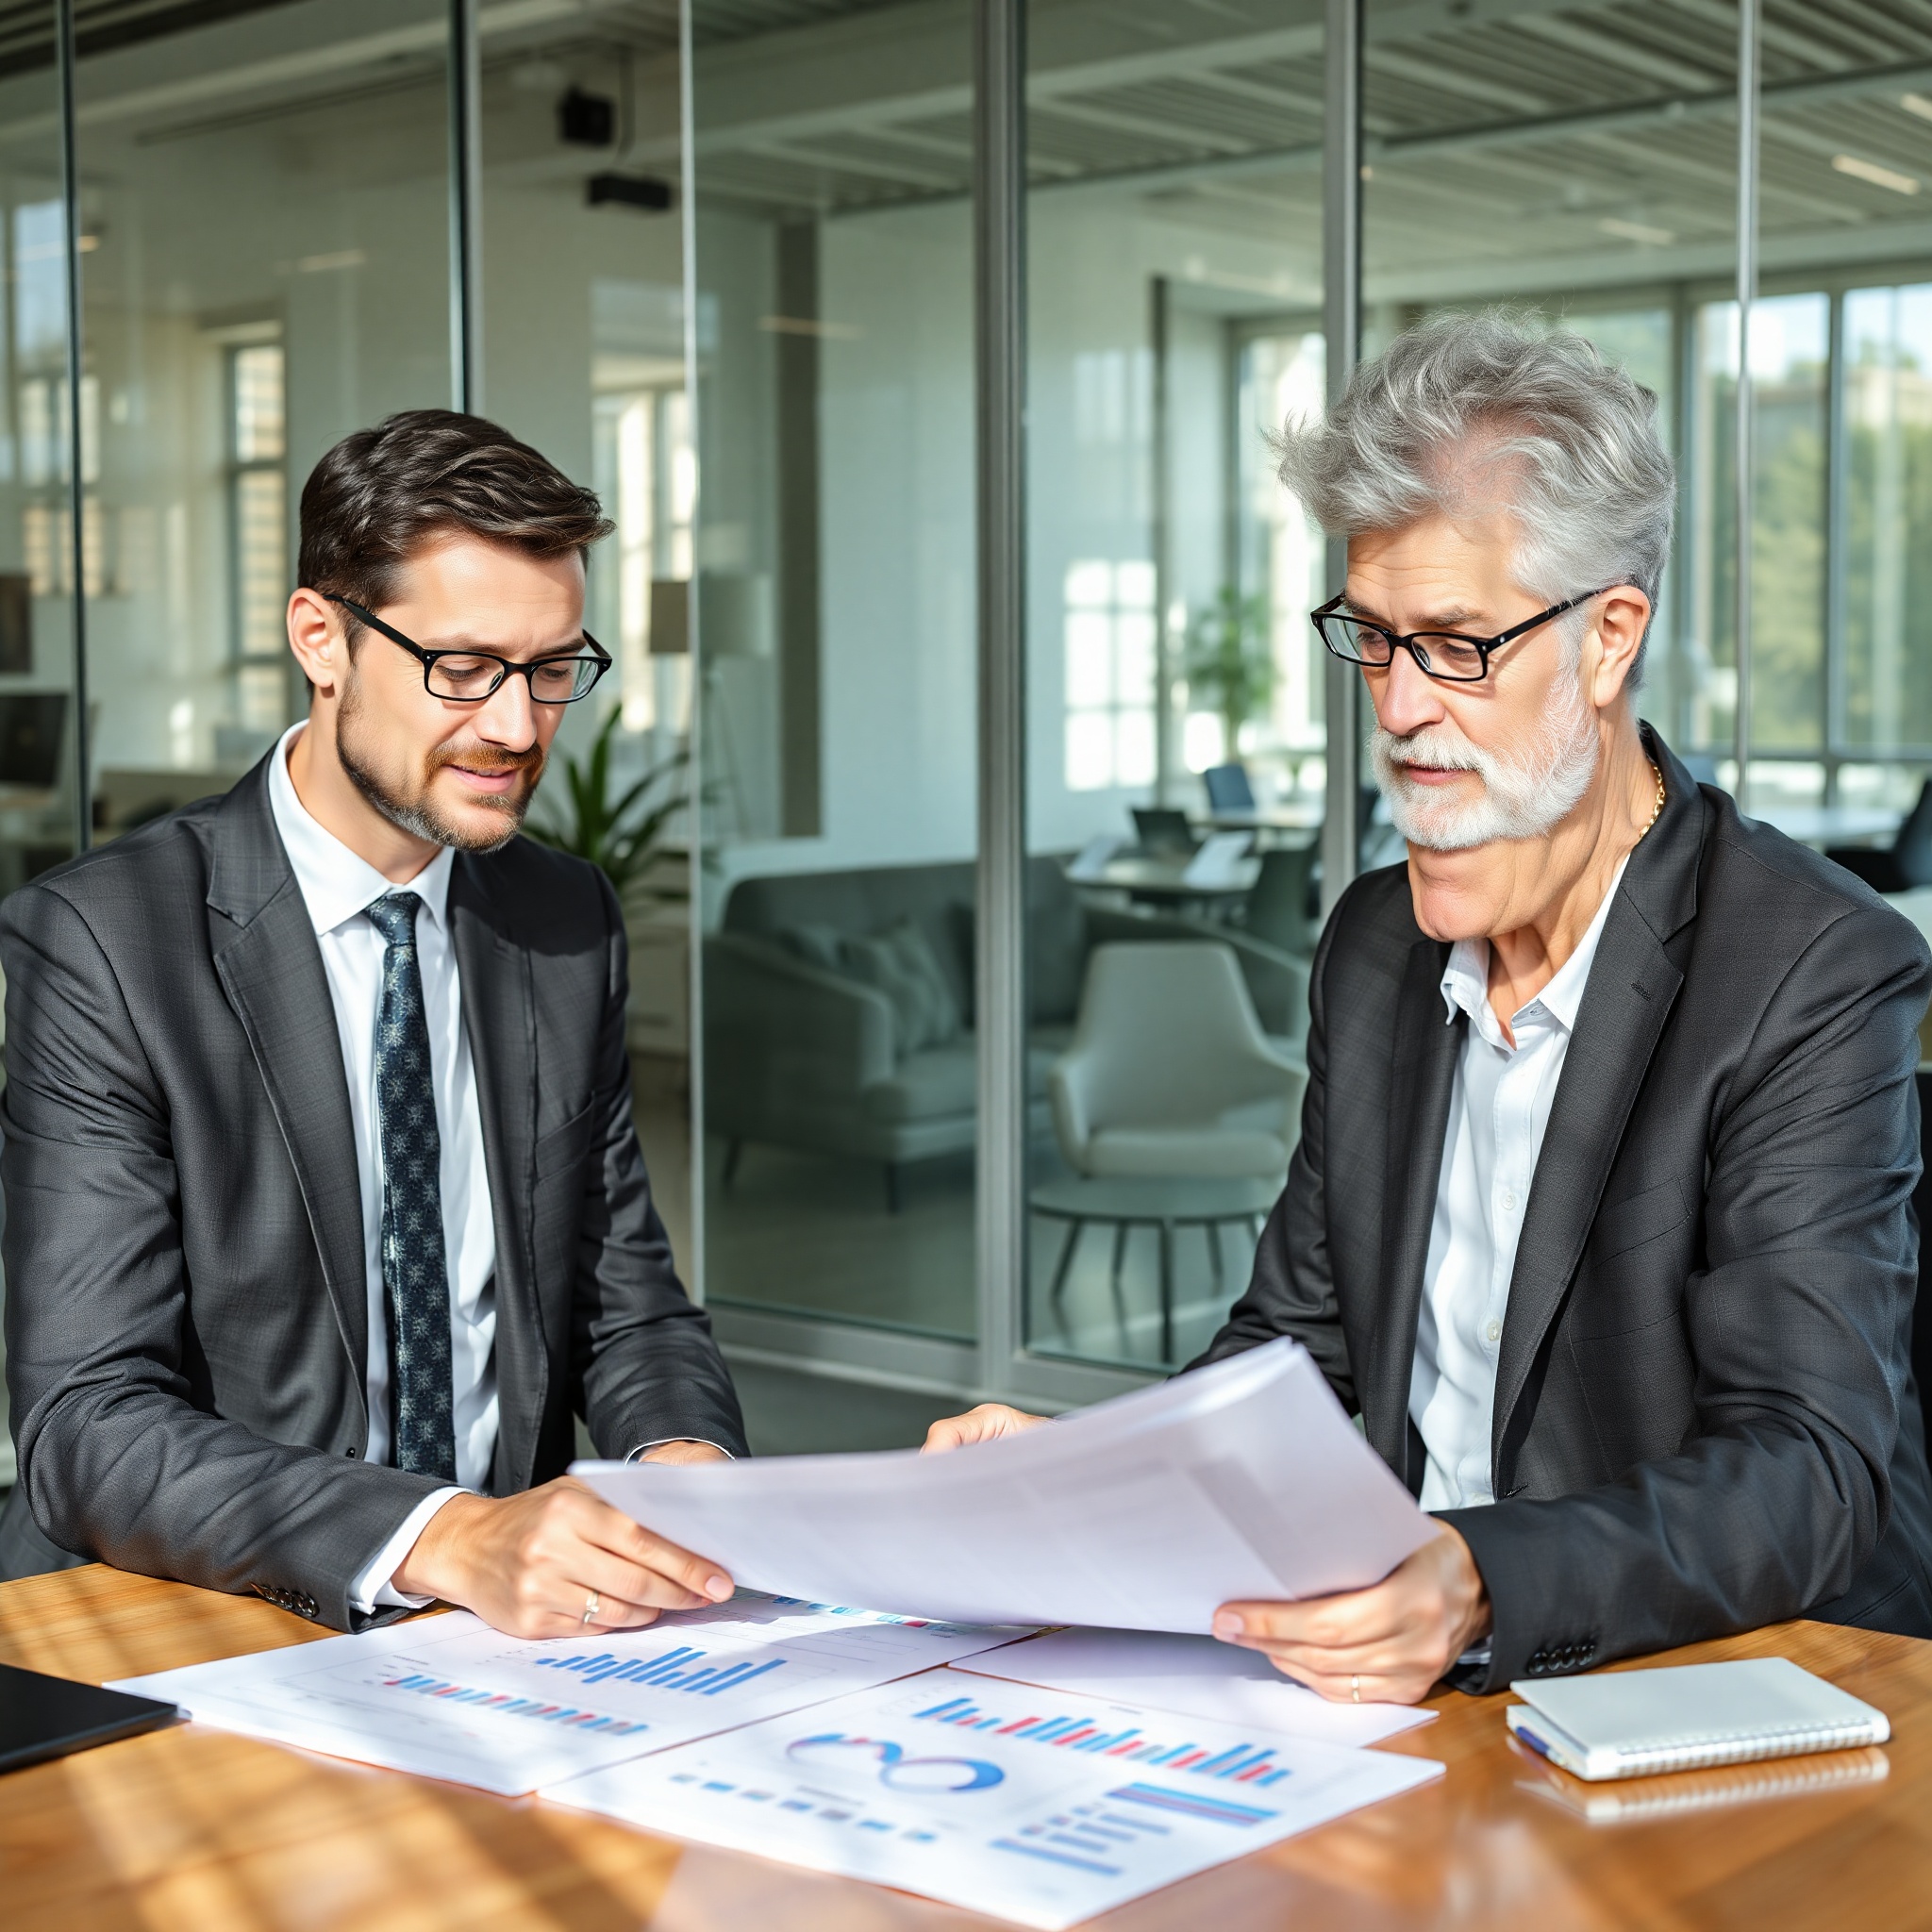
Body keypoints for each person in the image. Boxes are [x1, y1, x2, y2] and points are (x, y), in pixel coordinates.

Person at [926, 311, 1932, 1702]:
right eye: (1374, 640)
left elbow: (1807, 1470)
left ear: (1607, 639)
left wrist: (1475, 1576)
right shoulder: (1374, 944)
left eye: (1458, 644)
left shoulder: (1809, 966)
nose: (1399, 708)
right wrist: (1080, 1479)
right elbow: (1297, 1354)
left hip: (1722, 1695)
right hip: (1406, 1702)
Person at [0, 409, 744, 1638]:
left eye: (553, 668)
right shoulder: (108, 943)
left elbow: (629, 1307)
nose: (516, 727)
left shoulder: (564, 920)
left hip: (506, 1638)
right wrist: (444, 1536)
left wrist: (684, 1462)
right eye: (461, 668)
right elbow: (88, 1423)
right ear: (322, 639)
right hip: (214, 1616)